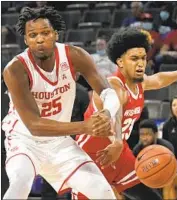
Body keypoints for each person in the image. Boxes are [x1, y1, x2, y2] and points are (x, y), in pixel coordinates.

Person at [2, 6, 121, 200]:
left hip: (60, 144)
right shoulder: (15, 69)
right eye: (33, 35)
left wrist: (107, 113)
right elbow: (35, 126)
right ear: (25, 40)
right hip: (24, 142)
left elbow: (108, 91)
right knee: (20, 184)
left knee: (104, 193)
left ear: (55, 34)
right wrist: (86, 126)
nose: (39, 39)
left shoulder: (74, 55)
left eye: (45, 33)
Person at [74, 27, 177, 200]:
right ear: (120, 62)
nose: (141, 63)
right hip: (91, 157)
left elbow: (159, 79)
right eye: (134, 58)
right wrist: (117, 141)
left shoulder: (140, 83)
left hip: (119, 153)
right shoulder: (113, 84)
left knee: (150, 197)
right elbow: (116, 110)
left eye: (143, 58)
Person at [133, 119, 176, 200]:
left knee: (170, 182)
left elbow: (172, 168)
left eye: (148, 134)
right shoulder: (137, 150)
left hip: (167, 176)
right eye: (142, 134)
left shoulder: (166, 147)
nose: (144, 138)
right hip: (146, 179)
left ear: (156, 134)